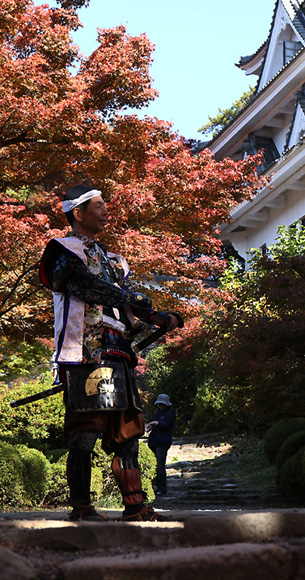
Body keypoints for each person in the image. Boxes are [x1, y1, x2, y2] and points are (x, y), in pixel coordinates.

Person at [39, 184, 181, 522]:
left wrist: (157, 317)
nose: (106, 210)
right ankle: (82, 507)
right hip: (86, 351)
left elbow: (126, 302)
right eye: (99, 205)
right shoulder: (62, 250)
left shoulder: (113, 260)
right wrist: (131, 299)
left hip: (120, 350)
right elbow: (84, 286)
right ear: (78, 212)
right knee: (86, 430)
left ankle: (135, 506)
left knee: (128, 432)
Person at [146, 393, 176, 495]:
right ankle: (153, 486)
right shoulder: (158, 413)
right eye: (159, 404)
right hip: (154, 441)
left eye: (162, 404)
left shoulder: (170, 413)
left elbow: (166, 424)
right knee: (154, 465)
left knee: (160, 466)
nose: (160, 406)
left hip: (162, 442)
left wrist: (156, 423)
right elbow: (155, 422)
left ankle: (162, 487)